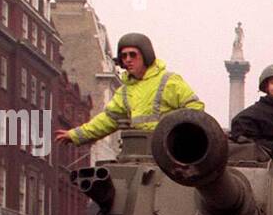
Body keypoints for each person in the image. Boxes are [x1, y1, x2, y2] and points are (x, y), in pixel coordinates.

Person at [55, 33, 204, 147]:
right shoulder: (125, 91)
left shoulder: (169, 81)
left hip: (169, 151)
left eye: (133, 54)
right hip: (137, 152)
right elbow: (108, 119)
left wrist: (179, 136)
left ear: (146, 56)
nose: (127, 59)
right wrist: (75, 135)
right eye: (123, 56)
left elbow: (194, 110)